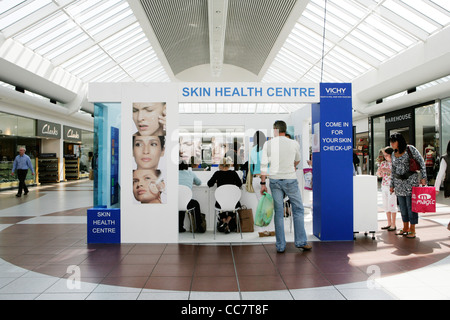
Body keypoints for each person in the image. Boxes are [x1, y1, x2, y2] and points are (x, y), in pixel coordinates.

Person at [260, 120, 311, 252]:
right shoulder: (294, 143)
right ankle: (300, 241)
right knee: (298, 210)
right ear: (285, 129)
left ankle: (280, 246)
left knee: (278, 212)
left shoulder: (268, 144)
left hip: (275, 180)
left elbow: (264, 165)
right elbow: (298, 159)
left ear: (275, 130)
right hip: (290, 180)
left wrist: (263, 183)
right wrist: (292, 166)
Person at [389, 133, 426, 239]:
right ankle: (405, 227)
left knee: (411, 206)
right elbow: (393, 170)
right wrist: (392, 184)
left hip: (411, 182)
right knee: (402, 207)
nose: (392, 144)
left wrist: (424, 177)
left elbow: (421, 162)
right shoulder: (393, 153)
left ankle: (412, 228)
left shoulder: (410, 149)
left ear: (399, 141)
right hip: (399, 184)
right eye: (391, 142)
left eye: (393, 142)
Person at [207, 157, 242, 234]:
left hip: (221, 202)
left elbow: (209, 184)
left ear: (220, 165)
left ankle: (224, 221)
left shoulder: (217, 174)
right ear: (229, 165)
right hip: (233, 202)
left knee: (221, 203)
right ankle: (228, 221)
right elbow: (240, 184)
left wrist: (216, 181)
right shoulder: (234, 173)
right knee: (234, 204)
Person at [250, 131, 275, 237]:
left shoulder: (252, 151)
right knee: (269, 205)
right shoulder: (268, 150)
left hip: (255, 179)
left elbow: (251, 168)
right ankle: (271, 229)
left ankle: (261, 231)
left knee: (260, 205)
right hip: (267, 179)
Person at [178, 161, 204, 233]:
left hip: (175, 202)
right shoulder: (191, 173)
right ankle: (198, 225)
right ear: (187, 166)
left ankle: (180, 227)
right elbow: (199, 183)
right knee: (195, 204)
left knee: (180, 205)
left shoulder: (174, 173)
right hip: (186, 202)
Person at [376, 147, 397, 231]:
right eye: (384, 155)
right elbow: (379, 174)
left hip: (392, 186)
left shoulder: (395, 163)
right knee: (386, 205)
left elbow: (397, 173)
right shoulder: (383, 163)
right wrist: (380, 172)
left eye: (386, 155)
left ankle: (393, 224)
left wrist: (387, 170)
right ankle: (389, 223)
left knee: (392, 204)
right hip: (384, 185)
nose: (385, 157)